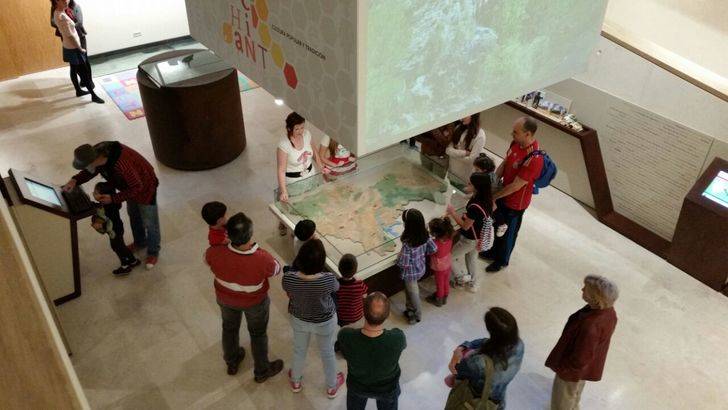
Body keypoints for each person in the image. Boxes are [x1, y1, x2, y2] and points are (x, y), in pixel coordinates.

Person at [205, 212, 285, 381]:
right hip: (255, 303)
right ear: (250, 234)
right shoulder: (262, 258)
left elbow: (207, 260)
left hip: (225, 299)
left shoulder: (214, 252)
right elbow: (277, 269)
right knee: (257, 334)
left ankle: (232, 361)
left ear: (229, 235)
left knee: (229, 328)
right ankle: (262, 370)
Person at [62, 141, 161, 269]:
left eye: (86, 165)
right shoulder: (98, 155)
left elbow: (137, 187)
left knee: (150, 222)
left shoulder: (122, 165)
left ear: (95, 159)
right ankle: (140, 242)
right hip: (129, 187)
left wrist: (113, 198)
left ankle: (153, 252)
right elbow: (90, 171)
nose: (86, 169)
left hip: (146, 187)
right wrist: (75, 180)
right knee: (134, 215)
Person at [282, 239, 345, 398]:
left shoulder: (289, 278)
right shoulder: (328, 279)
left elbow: (287, 288)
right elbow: (337, 288)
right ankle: (332, 386)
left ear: (300, 259)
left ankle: (296, 380)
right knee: (327, 352)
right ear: (322, 262)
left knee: (299, 350)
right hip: (325, 321)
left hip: (300, 319)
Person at [545, 275, 619, 410]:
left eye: (586, 289)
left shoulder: (591, 325)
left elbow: (581, 358)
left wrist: (565, 369)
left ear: (596, 297)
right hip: (586, 367)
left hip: (572, 369)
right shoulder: (608, 312)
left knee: (563, 398)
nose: (582, 289)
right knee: (575, 391)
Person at [482, 117, 544, 272]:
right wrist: (493, 183)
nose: (512, 134)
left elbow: (517, 185)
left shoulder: (535, 158)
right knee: (498, 226)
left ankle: (502, 260)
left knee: (509, 233)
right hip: (503, 194)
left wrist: (495, 196)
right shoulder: (515, 144)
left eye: (515, 132)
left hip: (516, 202)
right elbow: (505, 163)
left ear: (528, 134)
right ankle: (493, 251)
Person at [338, 292, 407, 410]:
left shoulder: (346, 335)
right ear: (388, 315)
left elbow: (344, 353)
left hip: (357, 386)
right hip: (388, 388)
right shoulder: (398, 338)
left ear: (363, 312)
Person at [446, 307, 524, 410]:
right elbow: (487, 342)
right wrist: (465, 346)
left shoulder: (478, 364)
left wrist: (456, 360)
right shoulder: (518, 345)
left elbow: (458, 371)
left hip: (473, 403)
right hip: (497, 403)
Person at [276, 112, 325, 235]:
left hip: (310, 174)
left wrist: (321, 166)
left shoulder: (307, 134)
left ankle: (302, 228)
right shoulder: (284, 144)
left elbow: (314, 151)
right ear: (289, 128)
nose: (300, 131)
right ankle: (284, 223)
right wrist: (283, 190)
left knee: (307, 201)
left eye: (302, 127)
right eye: (297, 128)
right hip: (293, 180)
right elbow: (281, 170)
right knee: (292, 205)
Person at [446, 172, 493, 292]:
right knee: (471, 259)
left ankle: (461, 279)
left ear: (477, 187)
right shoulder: (487, 198)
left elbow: (465, 226)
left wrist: (452, 212)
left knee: (448, 257)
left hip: (469, 239)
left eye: (470, 183)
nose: (467, 184)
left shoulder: (474, 206)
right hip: (478, 237)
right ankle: (473, 282)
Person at [51, 0, 104, 104]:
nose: (66, 1)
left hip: (68, 45)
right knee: (83, 71)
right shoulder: (61, 16)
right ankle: (93, 96)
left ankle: (78, 91)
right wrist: (80, 48)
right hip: (73, 47)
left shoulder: (58, 12)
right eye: (63, 0)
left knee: (73, 68)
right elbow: (70, 35)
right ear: (56, 1)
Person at [90, 182, 140, 276]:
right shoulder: (109, 202)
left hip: (114, 230)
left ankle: (125, 266)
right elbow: (99, 208)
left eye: (96, 192)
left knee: (117, 247)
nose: (93, 193)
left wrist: (101, 226)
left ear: (104, 196)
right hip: (116, 228)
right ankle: (133, 261)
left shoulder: (109, 208)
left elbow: (109, 221)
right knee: (121, 246)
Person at [396, 208, 437, 324]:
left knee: (413, 294)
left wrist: (399, 257)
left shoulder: (407, 244)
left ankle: (417, 315)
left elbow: (403, 264)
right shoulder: (425, 235)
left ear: (408, 225)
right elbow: (434, 248)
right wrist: (421, 254)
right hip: (421, 268)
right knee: (409, 292)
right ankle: (409, 310)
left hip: (410, 274)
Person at [473, 154, 507, 237]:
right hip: (491, 194)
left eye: (477, 169)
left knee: (492, 207)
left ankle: (502, 224)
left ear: (484, 170)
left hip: (494, 196)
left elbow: (492, 203)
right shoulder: (485, 177)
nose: (475, 171)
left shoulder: (489, 181)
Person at [445, 114, 486, 183]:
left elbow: (471, 160)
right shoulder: (458, 128)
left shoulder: (480, 136)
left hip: (463, 179)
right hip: (451, 172)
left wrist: (453, 154)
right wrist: (464, 153)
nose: (461, 118)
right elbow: (448, 150)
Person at [425, 217, 453, 307]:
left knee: (439, 283)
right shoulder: (449, 239)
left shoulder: (435, 244)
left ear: (435, 233)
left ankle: (439, 300)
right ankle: (445, 296)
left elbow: (429, 252)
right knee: (446, 281)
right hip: (448, 264)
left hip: (439, 268)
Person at [335, 254, 368, 328]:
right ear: (355, 270)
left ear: (339, 268)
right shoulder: (359, 284)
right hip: (357, 315)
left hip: (341, 316)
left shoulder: (336, 284)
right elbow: (365, 295)